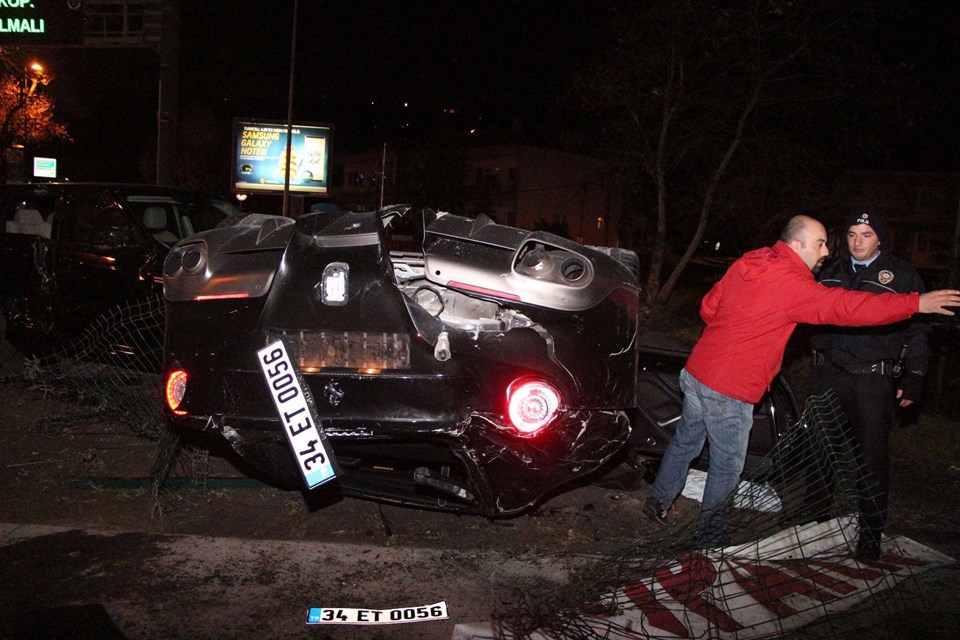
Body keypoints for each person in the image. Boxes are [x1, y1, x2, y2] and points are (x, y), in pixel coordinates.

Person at [642, 215, 960, 548]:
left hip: (697, 372)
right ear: (797, 245)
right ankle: (712, 539)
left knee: (686, 441)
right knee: (727, 465)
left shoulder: (751, 260)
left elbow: (709, 307)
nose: (826, 250)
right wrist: (915, 302)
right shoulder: (794, 284)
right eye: (820, 243)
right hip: (730, 387)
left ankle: (658, 500)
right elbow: (848, 308)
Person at [808, 208, 930, 560]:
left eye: (866, 235)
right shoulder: (828, 269)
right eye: (852, 235)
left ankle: (870, 537)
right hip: (827, 375)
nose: (857, 242)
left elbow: (918, 329)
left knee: (871, 461)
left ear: (880, 238)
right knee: (819, 454)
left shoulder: (903, 275)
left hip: (872, 381)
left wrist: (915, 376)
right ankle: (811, 526)